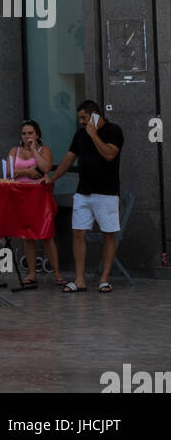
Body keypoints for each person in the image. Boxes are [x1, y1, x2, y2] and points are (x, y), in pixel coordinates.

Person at [45, 99, 124, 294]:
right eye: (80, 118)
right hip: (83, 192)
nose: (81, 121)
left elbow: (109, 155)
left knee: (108, 233)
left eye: (84, 117)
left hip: (106, 192)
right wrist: (52, 178)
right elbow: (68, 159)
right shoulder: (80, 134)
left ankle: (104, 279)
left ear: (95, 115)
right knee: (78, 232)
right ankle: (80, 279)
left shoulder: (114, 131)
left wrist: (94, 135)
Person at [5, 119, 65, 287]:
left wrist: (33, 150)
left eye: (30, 133)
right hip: (20, 196)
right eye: (24, 134)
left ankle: (57, 274)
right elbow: (8, 170)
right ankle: (32, 273)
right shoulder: (14, 150)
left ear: (37, 134)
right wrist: (27, 172)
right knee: (27, 237)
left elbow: (46, 167)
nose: (26, 136)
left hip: (39, 198)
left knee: (46, 235)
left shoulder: (43, 150)